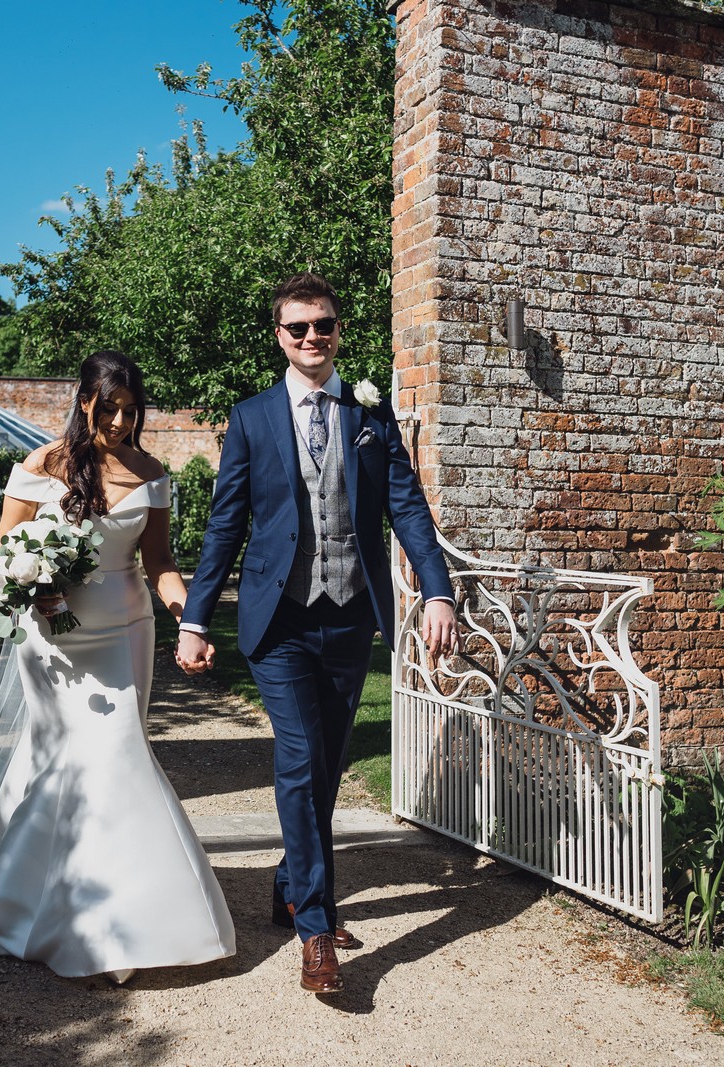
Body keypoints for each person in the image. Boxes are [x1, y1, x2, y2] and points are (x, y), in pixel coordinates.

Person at [0, 351, 235, 985]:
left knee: (119, 751)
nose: (120, 421)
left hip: (126, 633)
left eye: (130, 410)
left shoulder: (152, 474)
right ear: (84, 400)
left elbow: (160, 563)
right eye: (109, 407)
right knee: (66, 758)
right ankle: (70, 905)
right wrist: (33, 583)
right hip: (53, 640)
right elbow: (7, 548)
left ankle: (121, 907)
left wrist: (187, 617)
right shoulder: (41, 466)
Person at [175, 272, 458, 995]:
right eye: (298, 328)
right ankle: (315, 930)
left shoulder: (370, 411)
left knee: (325, 766)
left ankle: (288, 882)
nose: (311, 338)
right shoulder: (251, 417)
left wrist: (436, 590)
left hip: (348, 616)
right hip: (280, 620)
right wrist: (197, 616)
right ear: (280, 335)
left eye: (323, 326)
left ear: (337, 331)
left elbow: (408, 506)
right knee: (301, 757)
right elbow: (225, 525)